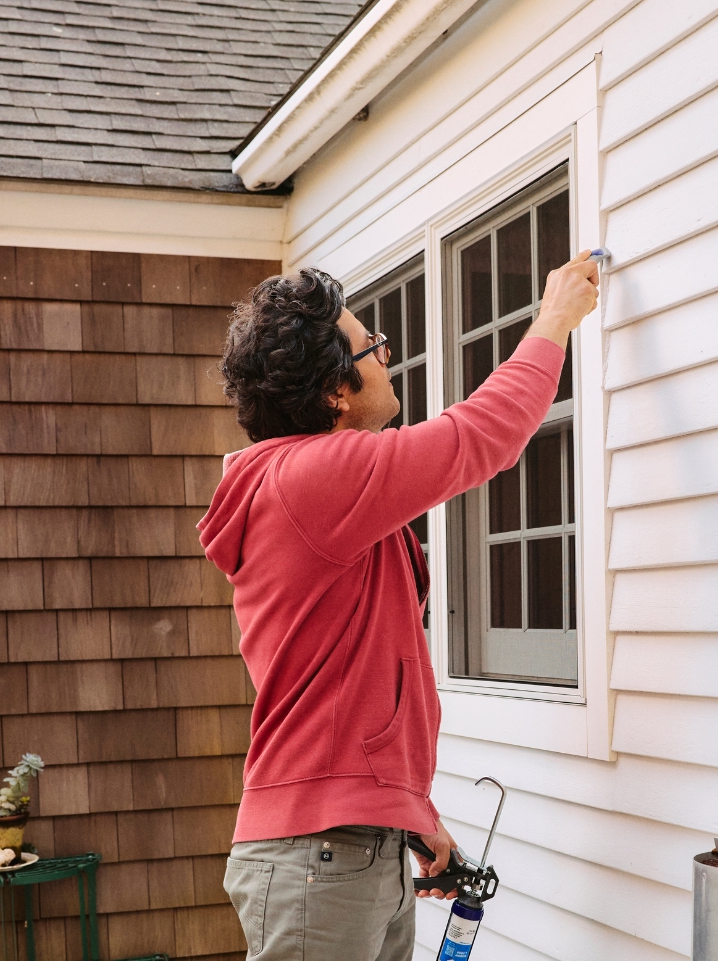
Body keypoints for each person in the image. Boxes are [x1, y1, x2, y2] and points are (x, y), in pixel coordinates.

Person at [198, 249, 600, 961]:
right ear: (335, 391)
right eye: (371, 346)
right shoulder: (314, 477)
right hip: (319, 858)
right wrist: (556, 317)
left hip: (347, 848)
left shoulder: (321, 497)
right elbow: (481, 436)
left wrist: (410, 819)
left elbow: (347, 686)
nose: (388, 354)